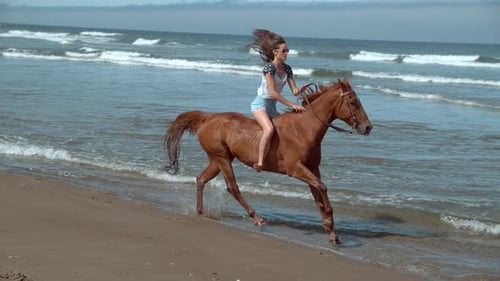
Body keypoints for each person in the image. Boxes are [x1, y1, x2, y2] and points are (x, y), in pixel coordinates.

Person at [247, 29, 307, 172]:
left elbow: (294, 91)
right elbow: (273, 93)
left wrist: (300, 90)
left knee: (286, 129)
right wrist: (292, 105)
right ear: (275, 52)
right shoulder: (269, 68)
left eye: (287, 51)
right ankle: (260, 162)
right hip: (260, 105)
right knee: (269, 130)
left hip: (272, 107)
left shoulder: (287, 69)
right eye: (284, 51)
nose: (286, 53)